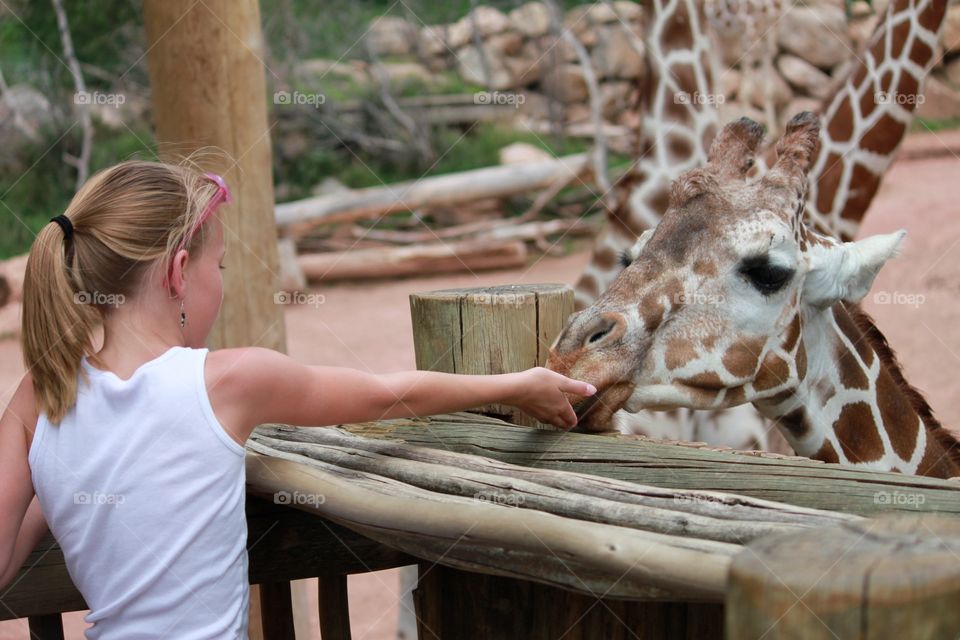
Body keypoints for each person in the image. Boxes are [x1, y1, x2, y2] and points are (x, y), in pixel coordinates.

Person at [0, 160, 595, 638]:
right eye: (220, 265)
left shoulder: (44, 391)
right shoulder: (227, 381)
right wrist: (518, 384)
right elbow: (383, 396)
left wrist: (72, 485)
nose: (221, 283)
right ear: (180, 273)